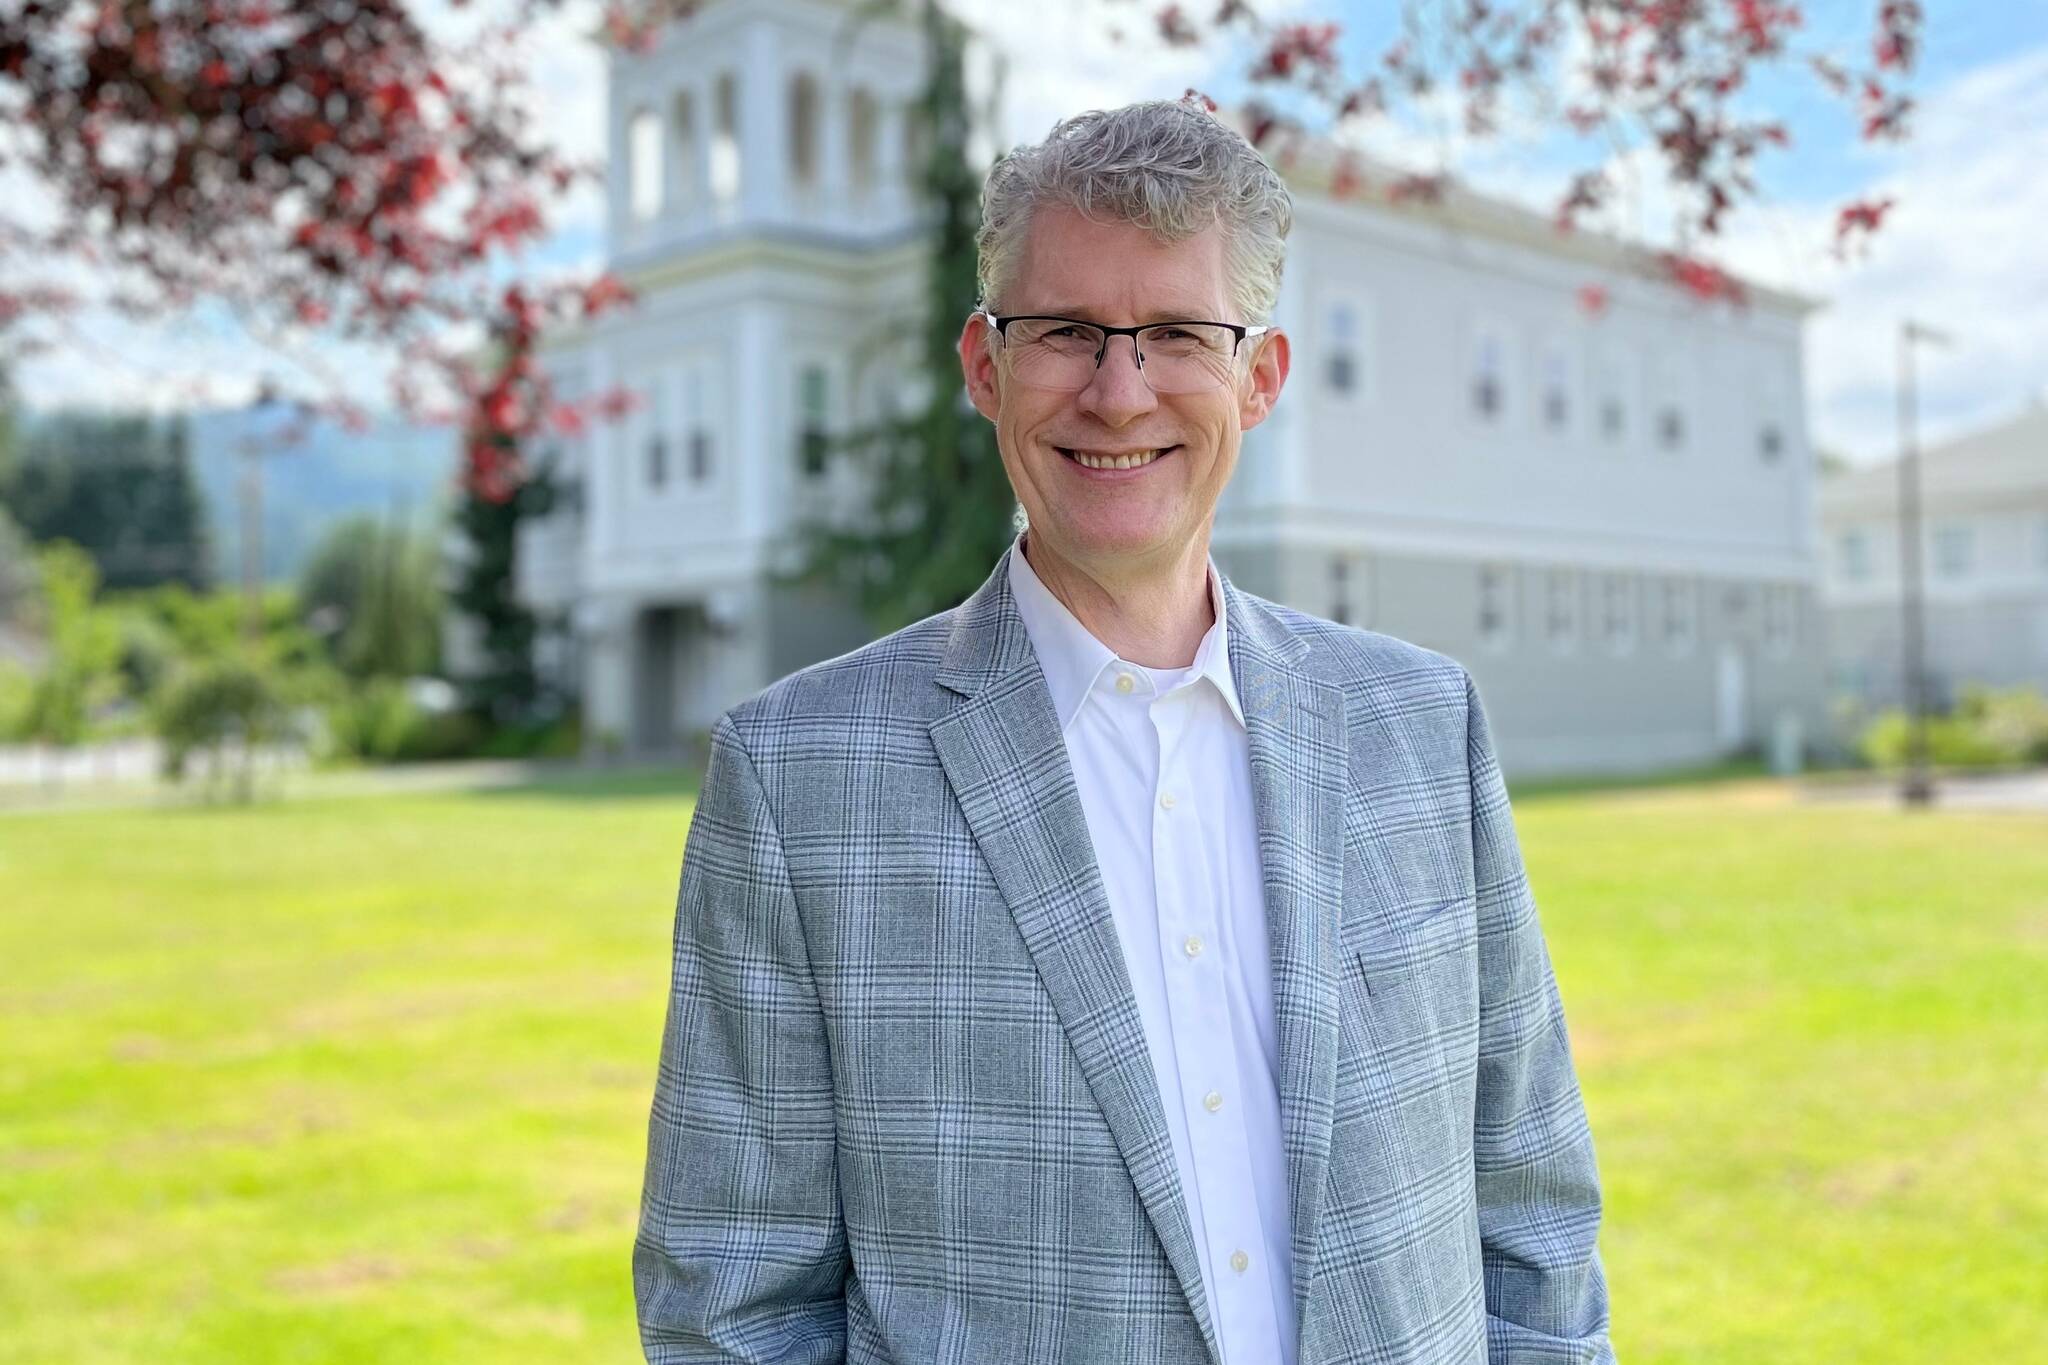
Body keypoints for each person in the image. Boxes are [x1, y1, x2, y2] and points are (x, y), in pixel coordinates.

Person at [634, 98, 1614, 1365]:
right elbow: (732, 1312)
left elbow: (1530, 1220)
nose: (1117, 389)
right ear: (984, 366)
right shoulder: (797, 781)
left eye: (1175, 334)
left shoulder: (1420, 727)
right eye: (1066, 333)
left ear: (1256, 378)